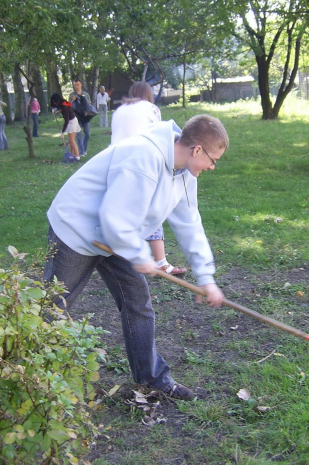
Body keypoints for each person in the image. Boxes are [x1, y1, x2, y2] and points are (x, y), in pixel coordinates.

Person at [44, 114, 229, 400]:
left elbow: (190, 224)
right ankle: (20, 367)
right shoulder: (143, 157)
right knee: (52, 307)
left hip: (119, 238)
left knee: (138, 304)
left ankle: (153, 380)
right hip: (76, 230)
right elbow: (114, 216)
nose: (212, 167)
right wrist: (138, 254)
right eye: (212, 159)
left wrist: (206, 278)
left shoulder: (185, 175)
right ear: (196, 150)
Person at [111, 81, 187, 275]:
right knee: (153, 209)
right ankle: (158, 261)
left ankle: (127, 253)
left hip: (114, 163)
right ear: (149, 94)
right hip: (141, 163)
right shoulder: (151, 108)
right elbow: (158, 137)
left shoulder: (119, 110)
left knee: (128, 209)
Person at [50, 93, 81, 162]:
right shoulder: (63, 104)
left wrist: (62, 132)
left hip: (71, 122)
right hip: (72, 121)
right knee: (71, 140)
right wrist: (56, 111)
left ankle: (77, 157)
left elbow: (66, 120)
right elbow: (61, 110)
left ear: (57, 100)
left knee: (72, 140)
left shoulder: (65, 107)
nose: (54, 103)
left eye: (54, 102)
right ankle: (72, 155)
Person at [69, 79, 91, 157]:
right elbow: (69, 106)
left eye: (78, 85)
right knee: (79, 134)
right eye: (75, 85)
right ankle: (81, 152)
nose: (76, 86)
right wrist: (72, 100)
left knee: (87, 133)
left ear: (81, 85)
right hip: (77, 117)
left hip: (85, 116)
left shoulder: (86, 94)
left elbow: (89, 104)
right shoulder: (72, 95)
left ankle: (84, 149)